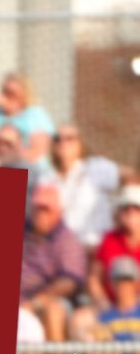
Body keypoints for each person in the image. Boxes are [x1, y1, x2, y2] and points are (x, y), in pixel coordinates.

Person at [20, 183, 88, 342]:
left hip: (49, 300)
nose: (40, 214)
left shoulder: (67, 240)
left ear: (57, 212)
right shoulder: (23, 230)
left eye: (46, 210)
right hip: (20, 299)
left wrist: (35, 302)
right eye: (37, 209)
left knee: (53, 310)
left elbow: (70, 282)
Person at [43, 125, 121, 252]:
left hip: (96, 249)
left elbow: (130, 178)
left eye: (70, 138)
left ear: (81, 144)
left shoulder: (96, 167)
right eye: (57, 139)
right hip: (60, 252)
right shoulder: (46, 179)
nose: (63, 143)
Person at [88, 185, 140, 311]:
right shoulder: (109, 239)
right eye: (125, 208)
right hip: (109, 306)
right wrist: (102, 302)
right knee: (81, 321)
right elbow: (94, 278)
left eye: (136, 208)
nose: (130, 212)